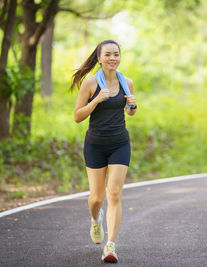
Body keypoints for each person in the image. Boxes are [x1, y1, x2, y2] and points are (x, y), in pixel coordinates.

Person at [70, 40, 137, 263]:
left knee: (114, 193)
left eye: (116, 54)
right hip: (95, 145)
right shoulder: (90, 83)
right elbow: (78, 116)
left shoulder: (127, 82)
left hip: (119, 143)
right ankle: (95, 219)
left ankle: (110, 246)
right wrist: (97, 100)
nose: (112, 58)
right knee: (97, 198)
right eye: (107, 54)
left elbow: (129, 112)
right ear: (99, 58)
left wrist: (133, 106)